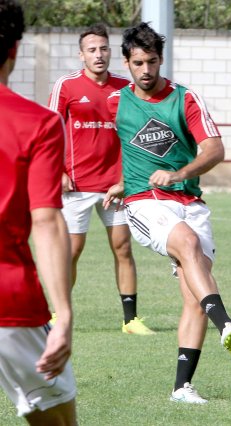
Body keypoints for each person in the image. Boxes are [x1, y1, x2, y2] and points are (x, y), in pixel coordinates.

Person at [104, 22, 231, 404]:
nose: (146, 70)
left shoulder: (184, 99)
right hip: (143, 202)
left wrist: (180, 173)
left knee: (193, 294)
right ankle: (226, 321)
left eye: (152, 62)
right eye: (138, 63)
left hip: (190, 201)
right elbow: (117, 150)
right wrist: (121, 182)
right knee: (187, 243)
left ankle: (182, 387)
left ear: (161, 60)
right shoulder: (116, 102)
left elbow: (214, 150)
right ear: (127, 62)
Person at [48, 23, 154, 335]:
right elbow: (50, 130)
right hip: (76, 185)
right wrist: (59, 171)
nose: (99, 54)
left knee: (123, 248)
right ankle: (59, 313)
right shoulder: (65, 86)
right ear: (81, 55)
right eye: (92, 50)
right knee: (71, 250)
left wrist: (129, 175)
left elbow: (137, 132)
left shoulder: (125, 88)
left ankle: (131, 320)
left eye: (104, 48)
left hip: (116, 184)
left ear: (112, 52)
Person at [0, 0, 78, 423]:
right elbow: (45, 221)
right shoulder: (38, 123)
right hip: (9, 301)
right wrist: (62, 315)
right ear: (15, 49)